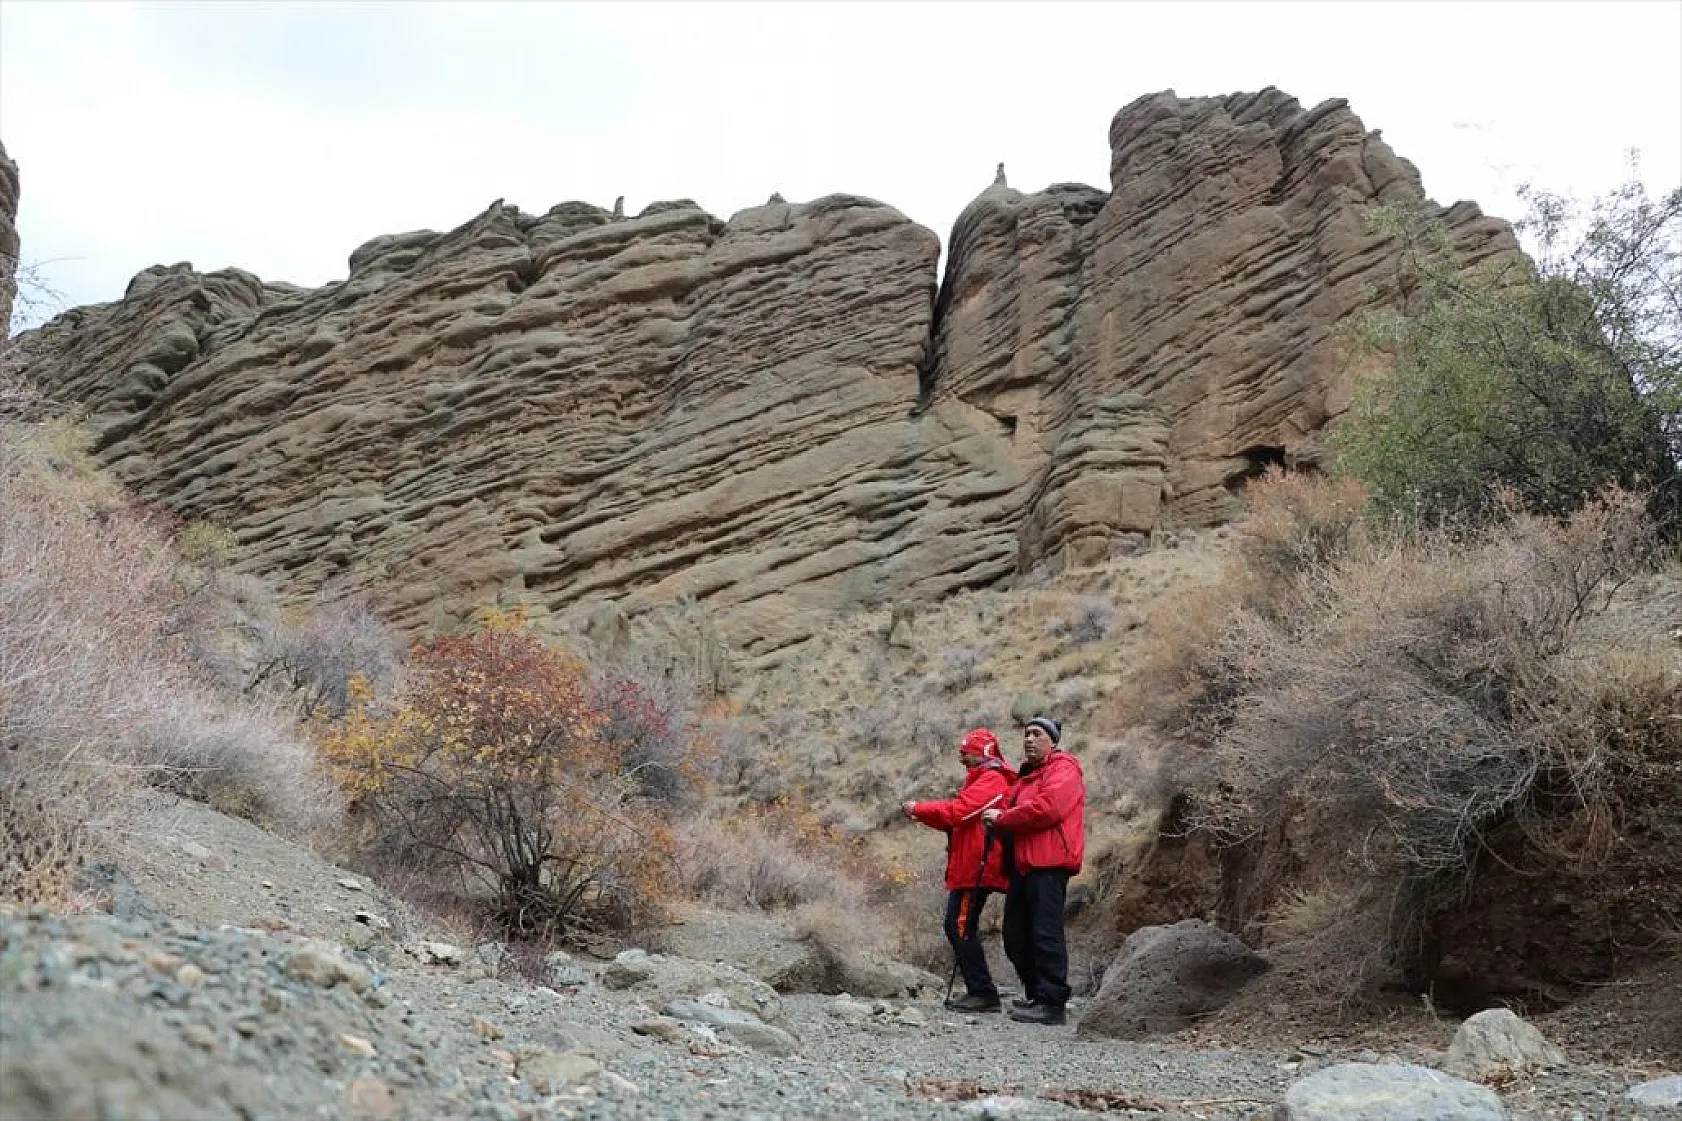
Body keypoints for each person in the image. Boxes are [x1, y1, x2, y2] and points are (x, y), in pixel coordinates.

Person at [902, 727, 1016, 1012]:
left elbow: (958, 812)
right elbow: (957, 819)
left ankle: (983, 992)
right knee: (959, 925)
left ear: (984, 753)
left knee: (960, 926)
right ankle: (980, 990)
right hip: (968, 866)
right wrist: (923, 814)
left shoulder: (992, 780)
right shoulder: (982, 780)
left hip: (978, 867)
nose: (963, 758)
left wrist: (920, 808)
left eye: (967, 753)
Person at [982, 715, 1085, 1025]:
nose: (1028, 739)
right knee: (1015, 935)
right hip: (1024, 866)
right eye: (1026, 734)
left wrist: (1002, 818)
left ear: (1052, 741)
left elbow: (1048, 808)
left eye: (1037, 734)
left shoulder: (1064, 769)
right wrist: (998, 824)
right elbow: (1017, 817)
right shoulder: (1026, 778)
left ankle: (1052, 1003)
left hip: (1050, 864)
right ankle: (1037, 993)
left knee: (1045, 933)